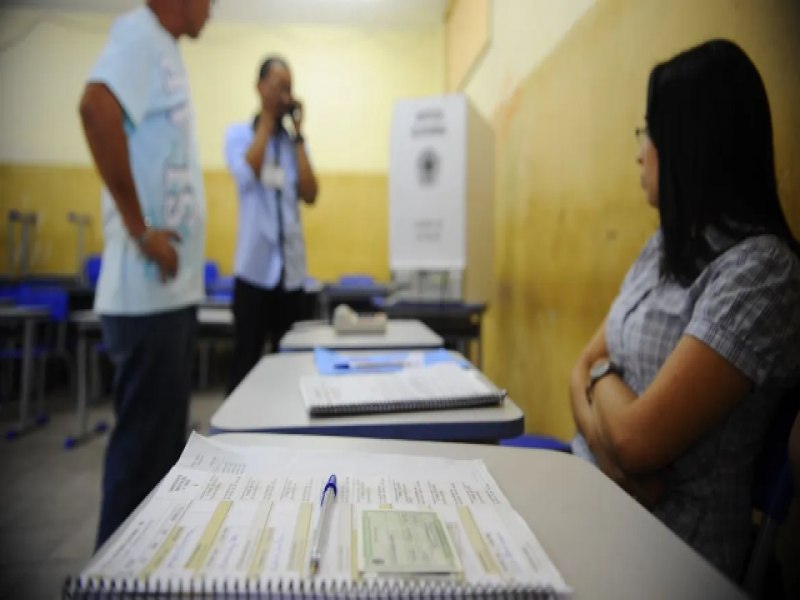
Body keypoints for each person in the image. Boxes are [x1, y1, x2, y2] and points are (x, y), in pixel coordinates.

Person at [569, 39, 800, 580]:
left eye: (649, 131)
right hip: (604, 495)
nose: (639, 151)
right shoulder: (667, 245)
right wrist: (617, 461)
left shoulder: (761, 273)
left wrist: (600, 389)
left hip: (668, 555)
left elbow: (635, 440)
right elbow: (578, 369)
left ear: (692, 142)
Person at [78, 0, 211, 548]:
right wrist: (142, 230)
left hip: (166, 298)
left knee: (158, 465)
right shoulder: (140, 35)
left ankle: (143, 573)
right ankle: (113, 580)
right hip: (146, 296)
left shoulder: (164, 51)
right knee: (139, 466)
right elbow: (95, 107)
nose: (214, 9)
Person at [224, 56, 319, 394]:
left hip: (291, 276)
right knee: (245, 365)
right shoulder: (238, 135)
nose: (283, 96)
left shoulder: (293, 145)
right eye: (277, 87)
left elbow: (310, 193)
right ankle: (234, 443)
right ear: (260, 87)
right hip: (254, 273)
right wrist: (266, 117)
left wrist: (299, 135)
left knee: (291, 369)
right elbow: (245, 174)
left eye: (289, 89)